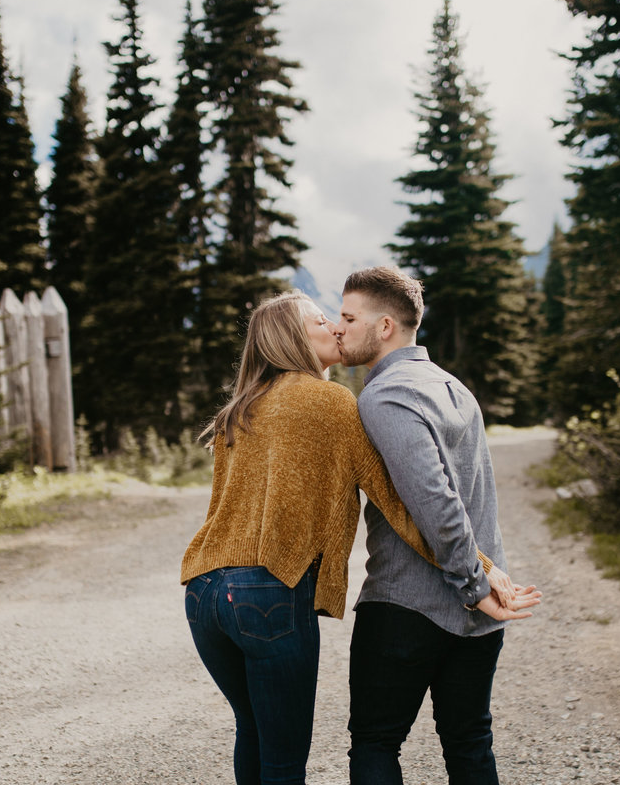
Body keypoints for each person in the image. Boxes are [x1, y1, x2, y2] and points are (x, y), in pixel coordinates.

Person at [180, 290, 531, 785]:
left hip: (203, 594)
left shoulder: (239, 408)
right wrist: (484, 569)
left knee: (253, 730)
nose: (336, 329)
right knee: (282, 762)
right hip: (265, 594)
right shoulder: (330, 402)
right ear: (294, 338)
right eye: (323, 321)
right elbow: (404, 505)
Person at [335, 266, 541, 785]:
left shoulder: (385, 396)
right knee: (470, 744)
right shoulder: (453, 387)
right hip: (478, 615)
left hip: (409, 607)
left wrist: (473, 584)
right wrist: (480, 586)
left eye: (348, 317)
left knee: (376, 743)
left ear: (384, 327)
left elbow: (436, 501)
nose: (339, 328)